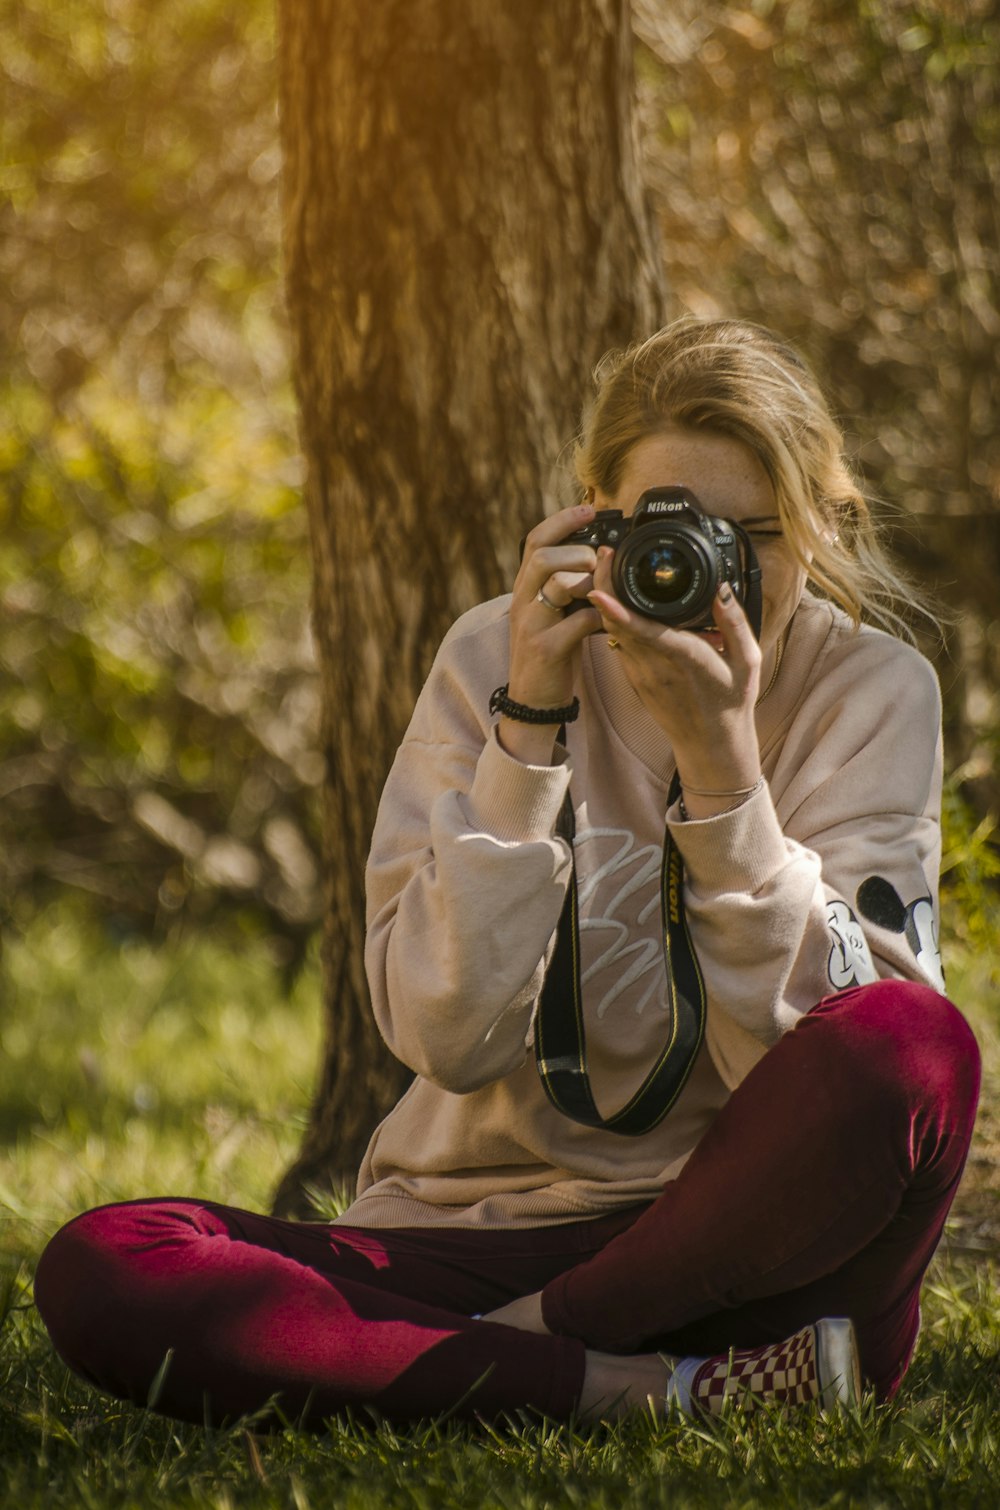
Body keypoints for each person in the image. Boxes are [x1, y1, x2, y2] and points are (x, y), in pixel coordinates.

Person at [35, 317, 980, 1428]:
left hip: (753, 1244)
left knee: (918, 1041)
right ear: (596, 518)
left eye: (750, 538)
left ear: (822, 523)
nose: (702, 572)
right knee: (108, 1259)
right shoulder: (495, 656)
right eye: (667, 531)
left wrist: (725, 777)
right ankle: (649, 1390)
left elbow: (843, 1051)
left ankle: (504, 1354)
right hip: (479, 1232)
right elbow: (444, 1034)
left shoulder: (869, 686)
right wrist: (528, 727)